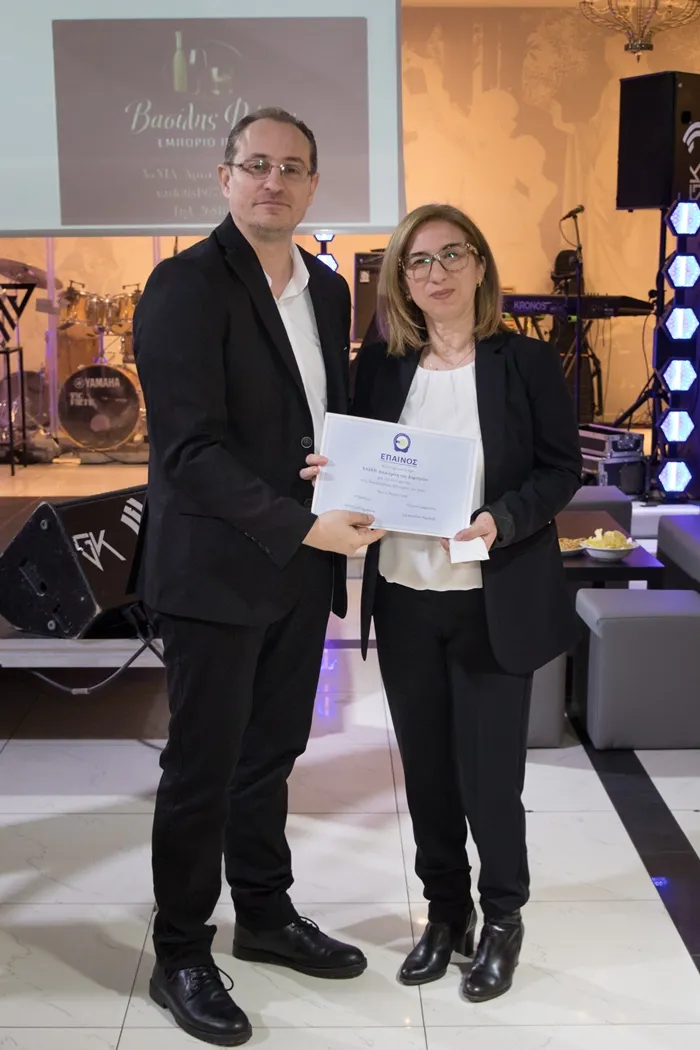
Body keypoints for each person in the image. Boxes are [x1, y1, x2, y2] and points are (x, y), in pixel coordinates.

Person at [132, 107, 383, 1047]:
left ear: (313, 185)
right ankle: (180, 952)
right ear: (226, 177)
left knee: (271, 754)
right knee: (203, 767)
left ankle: (266, 916)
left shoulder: (327, 289)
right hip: (215, 572)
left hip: (297, 570)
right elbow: (188, 451)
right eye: (257, 165)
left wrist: (350, 481)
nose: (274, 181)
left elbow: (322, 420)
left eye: (293, 167)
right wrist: (306, 521)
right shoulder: (184, 285)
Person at [302, 202, 581, 1004]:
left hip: (492, 600)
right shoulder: (382, 365)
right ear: (401, 279)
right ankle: (446, 913)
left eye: (452, 255)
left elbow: (560, 470)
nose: (437, 273)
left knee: (490, 780)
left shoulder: (526, 362)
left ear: (481, 264)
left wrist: (503, 519)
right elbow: (360, 459)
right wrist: (334, 475)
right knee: (426, 774)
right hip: (407, 599)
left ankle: (504, 919)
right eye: (419, 261)